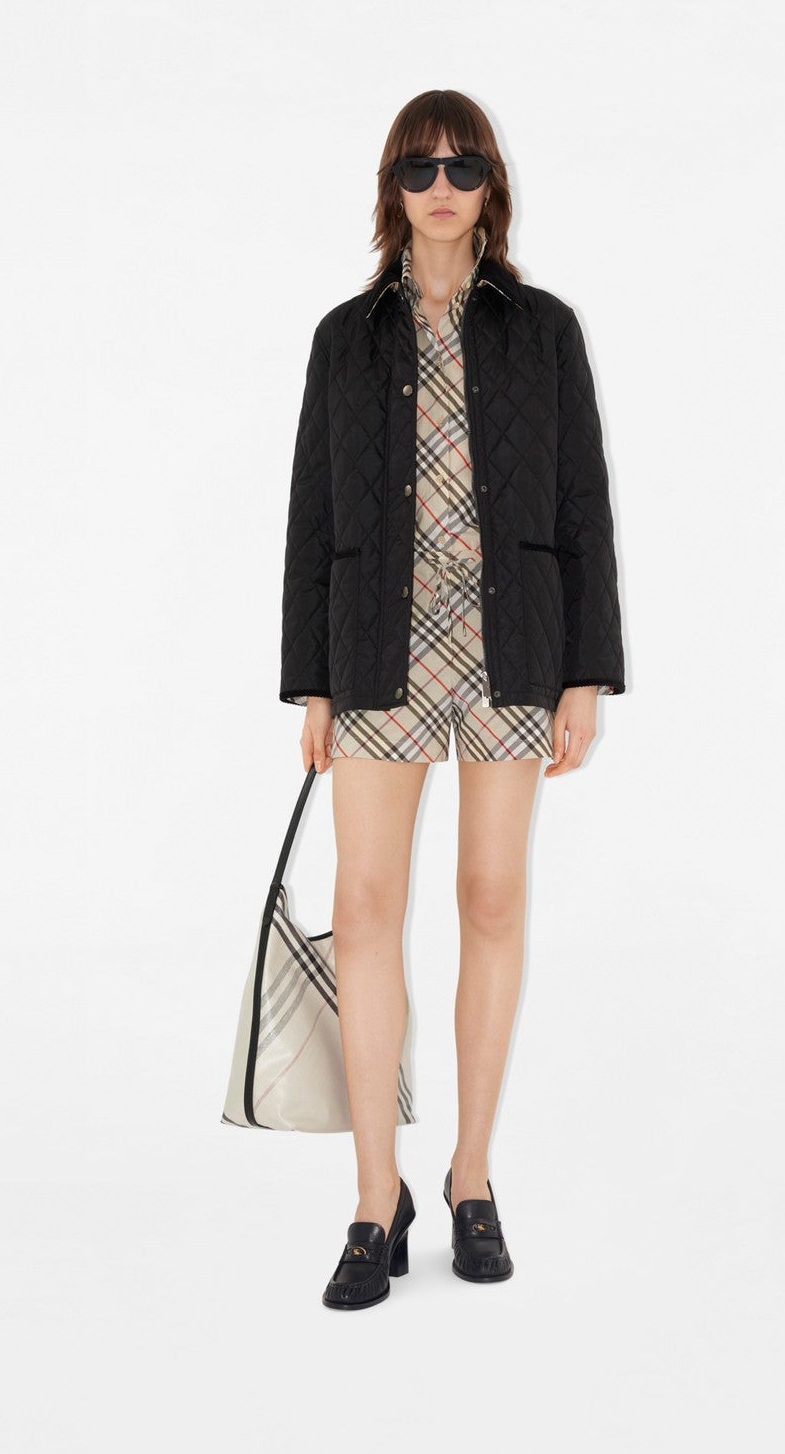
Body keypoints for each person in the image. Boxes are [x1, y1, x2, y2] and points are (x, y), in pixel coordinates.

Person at [277, 90, 627, 1309]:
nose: (441, 186)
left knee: (490, 898)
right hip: (376, 651)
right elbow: (311, 515)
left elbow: (582, 502)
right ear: (392, 188)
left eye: (462, 165)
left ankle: (470, 1175)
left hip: (509, 648)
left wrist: (585, 670)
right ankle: (376, 1197)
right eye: (419, 168)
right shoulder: (344, 338)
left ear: (492, 187)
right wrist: (310, 682)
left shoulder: (544, 331)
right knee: (364, 908)